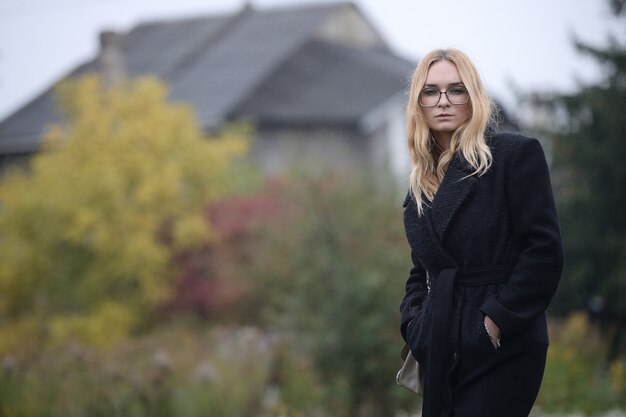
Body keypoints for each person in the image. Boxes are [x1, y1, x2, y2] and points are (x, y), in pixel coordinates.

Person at [399, 48, 563, 417]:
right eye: (431, 91)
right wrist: (414, 323)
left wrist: (495, 322)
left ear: (473, 98)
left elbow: (544, 252)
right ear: (418, 104)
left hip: (504, 345)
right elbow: (419, 271)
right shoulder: (420, 186)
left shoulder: (513, 154)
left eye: (455, 90)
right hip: (440, 344)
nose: (443, 101)